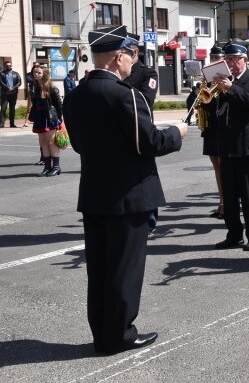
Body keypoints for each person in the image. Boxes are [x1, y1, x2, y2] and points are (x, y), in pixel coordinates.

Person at [63, 25, 187, 355]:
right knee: (124, 272)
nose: (133, 63)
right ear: (119, 57)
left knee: (100, 271)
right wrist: (177, 133)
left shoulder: (75, 95)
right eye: (131, 56)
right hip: (129, 195)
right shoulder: (123, 94)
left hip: (94, 193)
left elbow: (78, 144)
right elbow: (149, 142)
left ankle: (103, 334)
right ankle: (120, 335)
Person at [213, 42, 249, 251]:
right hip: (227, 144)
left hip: (248, 145)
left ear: (245, 59)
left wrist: (231, 88)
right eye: (227, 60)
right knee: (229, 193)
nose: (231, 63)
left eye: (235, 59)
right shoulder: (222, 81)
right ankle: (233, 234)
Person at [198, 45, 226, 218]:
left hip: (223, 124)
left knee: (225, 166)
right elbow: (202, 98)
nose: (215, 60)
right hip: (210, 125)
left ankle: (228, 202)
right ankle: (222, 200)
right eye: (213, 56)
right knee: (216, 165)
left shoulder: (228, 77)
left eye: (218, 57)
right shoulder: (206, 76)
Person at [25, 67, 64, 176]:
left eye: (39, 72)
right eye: (35, 72)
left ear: (44, 74)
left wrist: (59, 120)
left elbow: (58, 105)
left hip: (49, 117)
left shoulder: (51, 87)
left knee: (51, 142)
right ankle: (47, 167)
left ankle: (56, 167)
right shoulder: (34, 86)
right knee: (43, 143)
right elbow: (34, 103)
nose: (36, 74)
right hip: (39, 117)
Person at [124, 41, 158, 112]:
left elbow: (147, 100)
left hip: (138, 120)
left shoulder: (148, 73)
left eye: (123, 53)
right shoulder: (117, 71)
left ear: (135, 52)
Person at [1, 60, 22, 127]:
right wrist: (8, 87)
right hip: (5, 94)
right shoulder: (1, 74)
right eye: (7, 65)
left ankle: (12, 123)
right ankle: (2, 123)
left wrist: (13, 88)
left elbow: (19, 82)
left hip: (13, 94)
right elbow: (1, 82)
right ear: (5, 66)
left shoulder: (16, 74)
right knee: (3, 109)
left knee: (12, 109)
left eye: (10, 65)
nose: (9, 66)